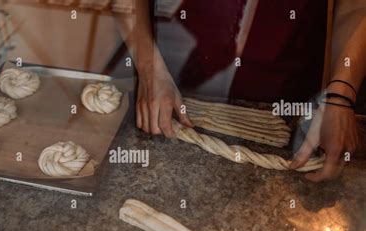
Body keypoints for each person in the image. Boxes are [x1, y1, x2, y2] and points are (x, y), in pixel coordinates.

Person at [116, 0, 363, 182]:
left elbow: (355, 5)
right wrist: (150, 69)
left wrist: (341, 93)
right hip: (176, 71)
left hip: (288, 89)